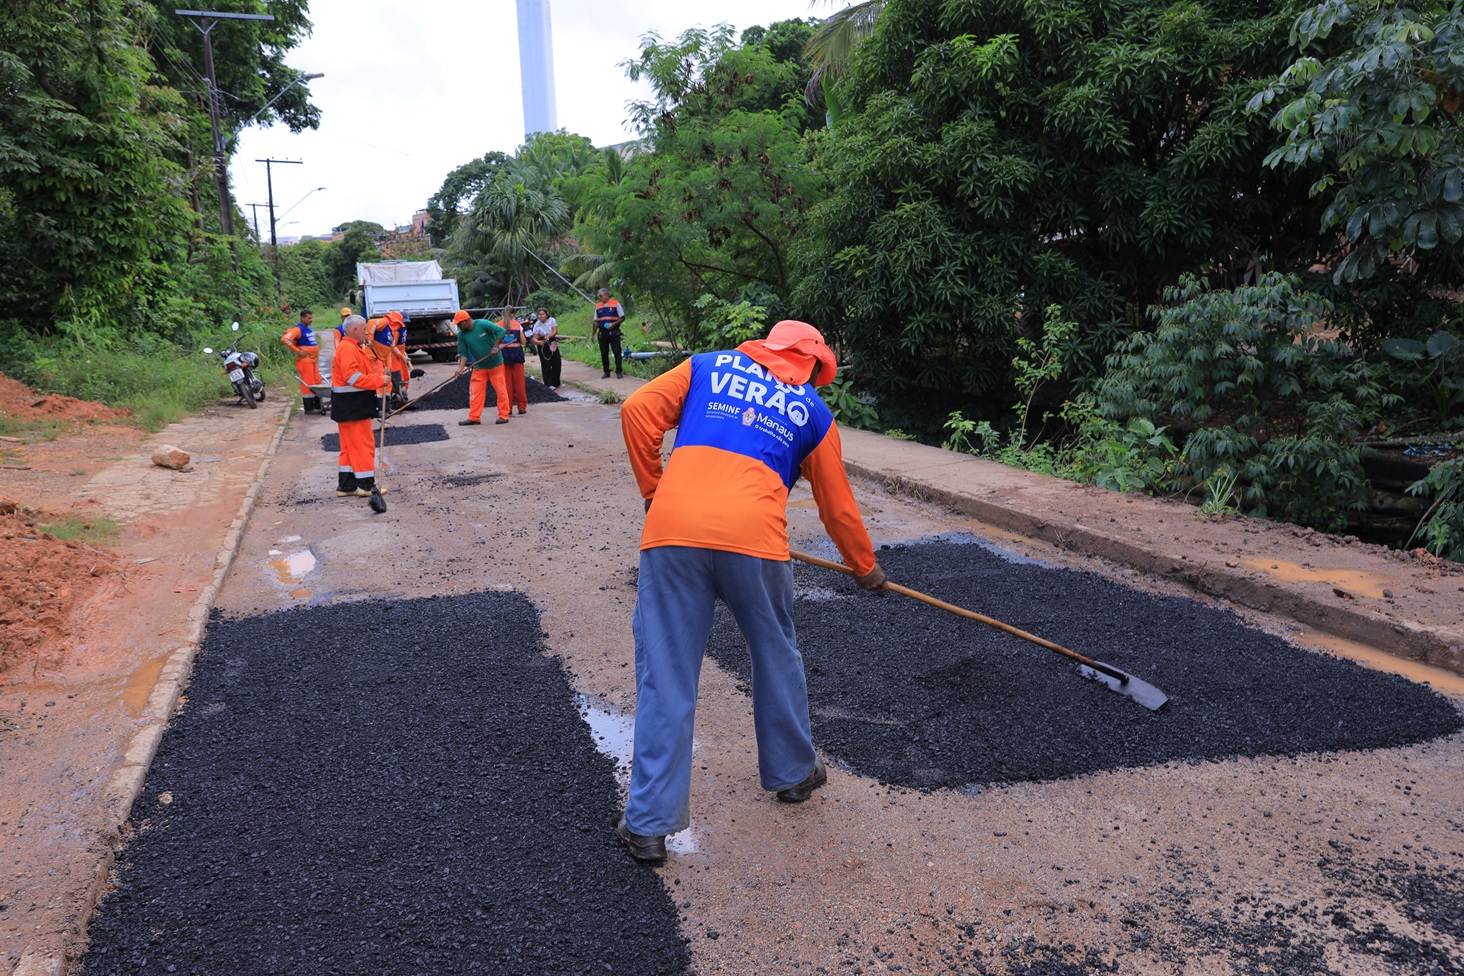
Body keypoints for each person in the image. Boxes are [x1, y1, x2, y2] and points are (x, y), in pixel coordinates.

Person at [616, 319, 888, 865]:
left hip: (672, 535)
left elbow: (636, 411)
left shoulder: (706, 366)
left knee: (665, 672)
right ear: (811, 363)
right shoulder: (812, 412)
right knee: (775, 655)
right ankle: (793, 774)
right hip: (755, 543)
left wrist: (654, 489)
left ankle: (648, 823)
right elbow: (837, 508)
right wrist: (865, 568)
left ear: (765, 346)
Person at [329, 315, 392, 498]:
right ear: (355, 330)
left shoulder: (350, 347)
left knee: (349, 448)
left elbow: (360, 372)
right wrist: (379, 380)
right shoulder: (348, 349)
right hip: (352, 406)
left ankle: (346, 486)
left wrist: (379, 375)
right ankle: (366, 486)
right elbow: (352, 377)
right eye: (364, 329)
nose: (367, 332)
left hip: (348, 406)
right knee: (363, 445)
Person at [452, 309, 509, 425]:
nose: (458, 326)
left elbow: (501, 331)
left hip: (495, 364)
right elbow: (463, 353)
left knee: (500, 390)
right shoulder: (462, 335)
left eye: (459, 324)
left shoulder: (483, 324)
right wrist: (460, 368)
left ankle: (504, 416)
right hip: (479, 366)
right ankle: (474, 417)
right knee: (475, 392)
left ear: (466, 320)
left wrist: (495, 346)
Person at [281, 308, 323, 413]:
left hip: (313, 361)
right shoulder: (298, 329)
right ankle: (309, 408)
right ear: (302, 318)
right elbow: (285, 339)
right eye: (308, 318)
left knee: (317, 382)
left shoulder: (308, 328)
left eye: (311, 317)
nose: (311, 320)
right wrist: (297, 350)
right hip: (305, 361)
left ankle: (318, 405)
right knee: (308, 383)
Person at [497, 306, 529, 416]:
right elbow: (524, 342)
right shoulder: (518, 325)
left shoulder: (496, 326)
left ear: (502, 314)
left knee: (506, 385)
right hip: (517, 357)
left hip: (503, 358)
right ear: (513, 315)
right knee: (519, 384)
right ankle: (522, 407)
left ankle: (508, 409)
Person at [594, 288, 626, 379]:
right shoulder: (598, 306)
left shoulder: (616, 304)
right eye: (598, 296)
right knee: (604, 352)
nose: (599, 297)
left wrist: (614, 324)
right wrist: (593, 334)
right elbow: (596, 321)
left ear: (607, 295)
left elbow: (622, 317)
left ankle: (619, 371)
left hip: (614, 332)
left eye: (601, 295)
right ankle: (606, 371)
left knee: (617, 351)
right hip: (603, 332)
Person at [529, 307, 561, 389]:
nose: (541, 316)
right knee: (546, 363)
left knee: (556, 361)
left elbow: (555, 331)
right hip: (542, 344)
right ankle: (548, 383)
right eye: (539, 314)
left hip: (552, 342)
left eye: (543, 314)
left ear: (546, 314)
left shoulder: (552, 320)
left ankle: (556, 382)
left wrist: (549, 336)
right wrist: (538, 342)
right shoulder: (537, 324)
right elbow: (534, 338)